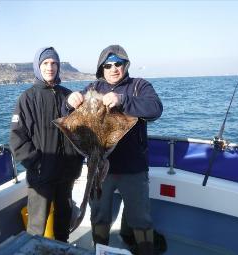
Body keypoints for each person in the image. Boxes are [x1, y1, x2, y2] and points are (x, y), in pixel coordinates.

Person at [63, 45, 163, 254]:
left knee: (140, 217)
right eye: (108, 65)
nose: (113, 68)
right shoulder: (92, 89)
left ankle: (145, 250)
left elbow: (155, 108)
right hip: (98, 166)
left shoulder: (138, 86)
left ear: (125, 65)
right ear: (101, 68)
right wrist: (68, 103)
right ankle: (101, 250)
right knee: (99, 215)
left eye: (118, 63)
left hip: (133, 168)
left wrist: (122, 100)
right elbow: (68, 114)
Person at [9, 47, 83, 242]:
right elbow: (17, 138)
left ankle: (62, 248)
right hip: (41, 176)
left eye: (54, 63)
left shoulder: (69, 96)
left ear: (58, 67)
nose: (50, 67)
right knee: (37, 225)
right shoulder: (27, 98)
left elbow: (81, 133)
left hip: (66, 174)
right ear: (38, 67)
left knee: (63, 220)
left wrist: (77, 160)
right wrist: (38, 164)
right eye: (45, 63)